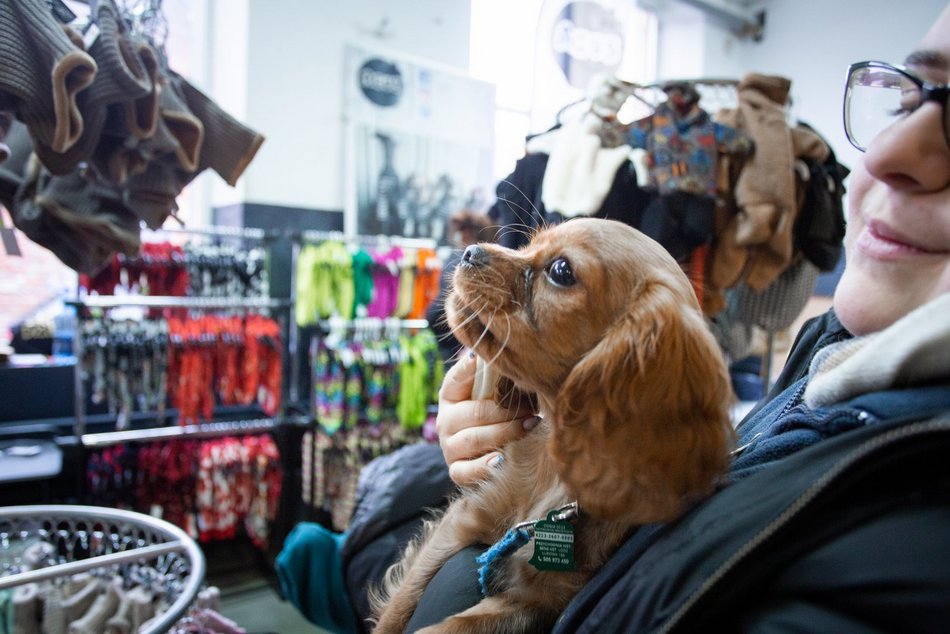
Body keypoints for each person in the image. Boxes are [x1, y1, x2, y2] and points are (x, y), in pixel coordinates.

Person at [335, 9, 950, 632]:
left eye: (557, 272)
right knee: (383, 502)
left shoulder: (908, 542)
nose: (892, 150)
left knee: (361, 530)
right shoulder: (831, 361)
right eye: (908, 99)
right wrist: (513, 419)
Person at [425, 209, 496, 367]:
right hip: (452, 336)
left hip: (461, 341)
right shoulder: (460, 256)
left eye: (461, 230)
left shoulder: (472, 260)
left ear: (467, 231)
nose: (458, 235)